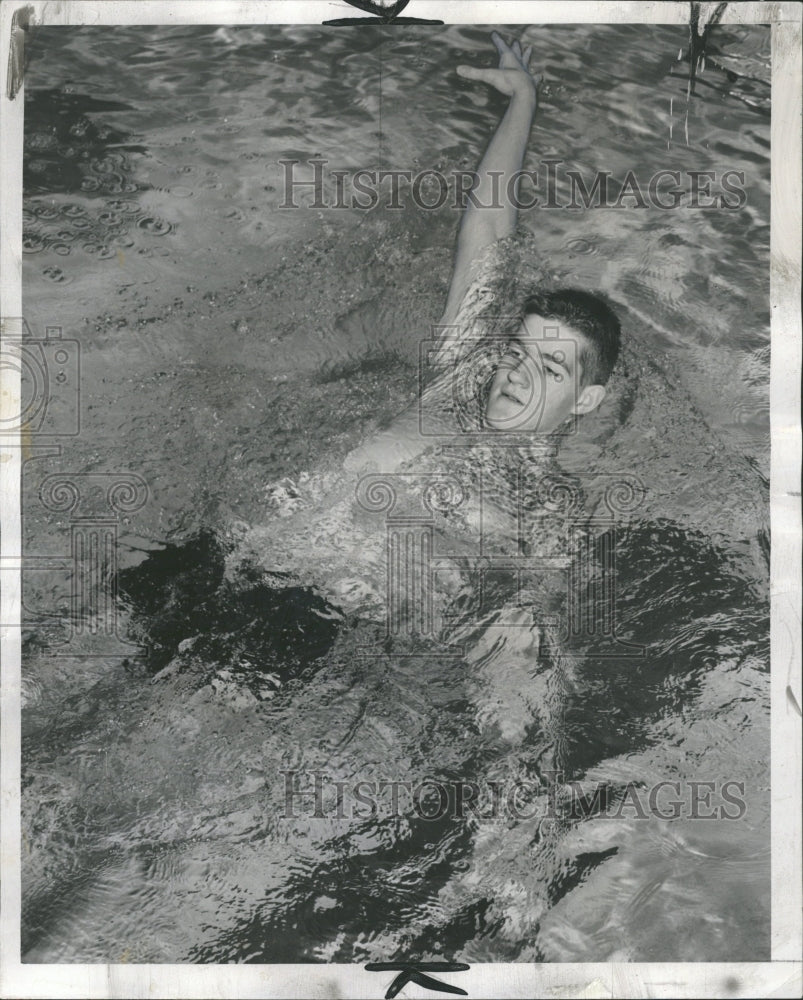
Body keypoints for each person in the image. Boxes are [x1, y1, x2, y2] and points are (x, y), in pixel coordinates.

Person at [343, 30, 622, 477]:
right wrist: (522, 101)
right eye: (516, 352)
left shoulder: (537, 509)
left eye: (551, 368)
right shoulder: (456, 381)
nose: (515, 374)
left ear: (585, 400)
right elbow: (487, 233)